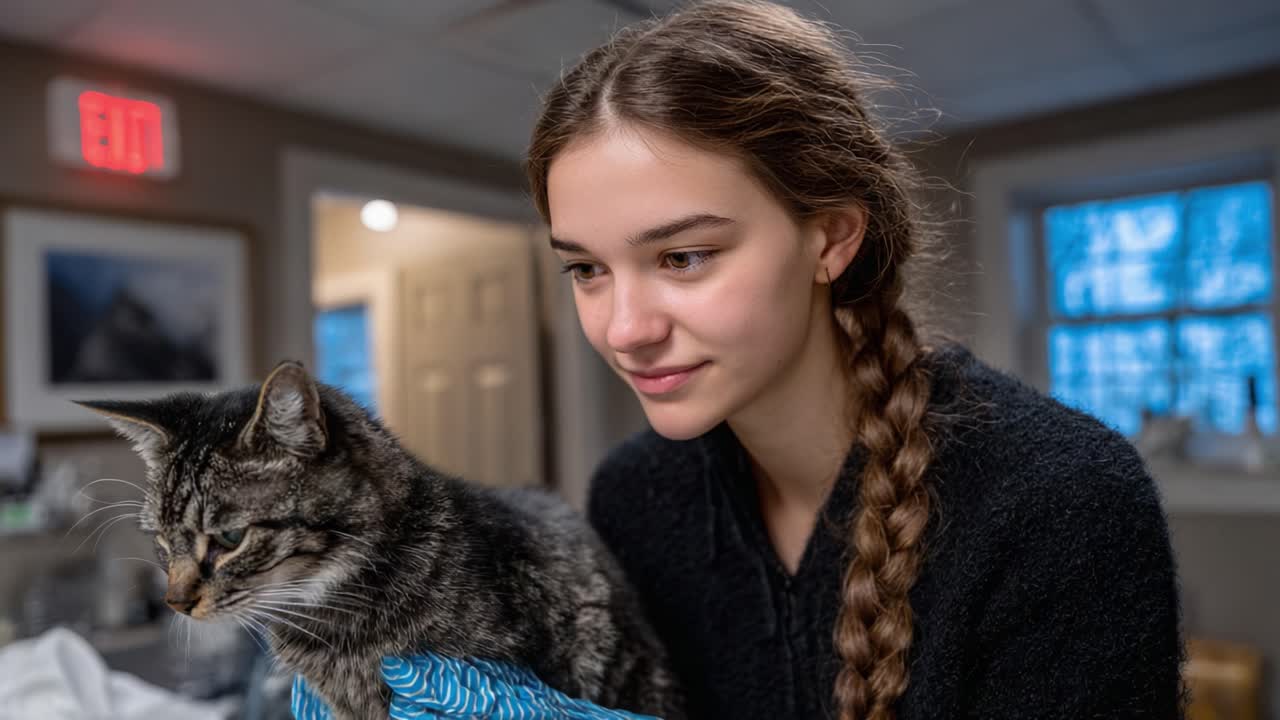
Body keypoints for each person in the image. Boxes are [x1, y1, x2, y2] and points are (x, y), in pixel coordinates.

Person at [294, 1, 1185, 718]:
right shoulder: (638, 496)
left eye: (682, 257)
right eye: (587, 269)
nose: (624, 328)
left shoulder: (1058, 501)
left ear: (830, 238)